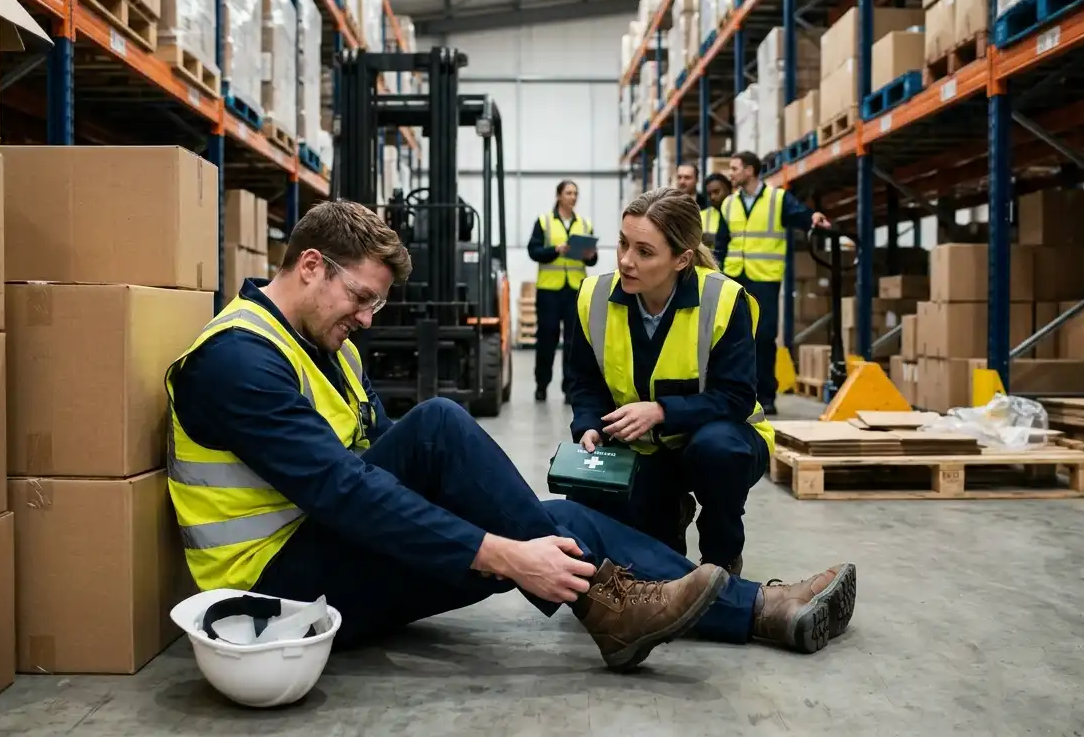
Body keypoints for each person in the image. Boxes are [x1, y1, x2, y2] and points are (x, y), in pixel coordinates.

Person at [164, 200, 857, 672]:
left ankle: (764, 609)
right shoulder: (239, 359)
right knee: (453, 444)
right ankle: (606, 606)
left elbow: (381, 459)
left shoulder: (324, 344)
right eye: (362, 298)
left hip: (328, 547)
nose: (369, 320)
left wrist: (510, 539)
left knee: (552, 522)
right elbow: (344, 491)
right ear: (311, 265)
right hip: (275, 590)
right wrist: (503, 554)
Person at [564, 186, 776, 578]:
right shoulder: (594, 297)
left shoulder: (725, 301)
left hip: (720, 440)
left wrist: (662, 410)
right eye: (624, 244)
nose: (627, 261)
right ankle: (668, 513)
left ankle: (721, 559)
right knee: (653, 569)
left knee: (718, 451)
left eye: (644, 252)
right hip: (643, 449)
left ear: (682, 259)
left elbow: (737, 396)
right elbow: (584, 381)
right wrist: (589, 425)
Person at [718, 151, 832, 414]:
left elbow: (799, 213)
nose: (731, 173)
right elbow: (723, 243)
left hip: (765, 277)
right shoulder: (729, 203)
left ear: (749, 170)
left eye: (735, 168)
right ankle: (734, 394)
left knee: (764, 337)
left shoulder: (776, 198)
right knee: (732, 337)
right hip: (735, 276)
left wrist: (812, 218)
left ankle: (766, 396)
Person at [527, 180, 598, 403]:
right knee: (546, 339)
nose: (573, 197)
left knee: (573, 342)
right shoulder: (544, 221)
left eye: (575, 193)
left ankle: (570, 389)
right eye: (569, 193)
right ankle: (541, 384)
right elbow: (534, 251)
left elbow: (593, 258)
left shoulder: (585, 224)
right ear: (559, 196)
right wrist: (555, 250)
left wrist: (589, 256)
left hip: (576, 289)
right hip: (549, 290)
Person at [675, 163, 726, 248]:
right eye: (679, 177)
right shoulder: (669, 203)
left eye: (687, 178)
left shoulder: (708, 203)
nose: (682, 181)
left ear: (697, 179)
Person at [702, 172, 733, 250]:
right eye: (709, 194)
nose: (712, 197)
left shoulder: (740, 211)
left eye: (716, 192)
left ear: (729, 190)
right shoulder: (701, 216)